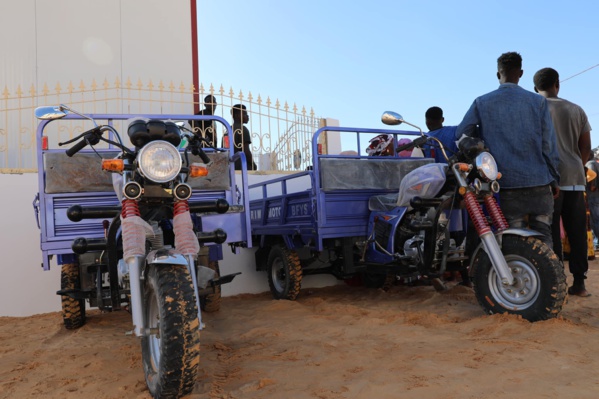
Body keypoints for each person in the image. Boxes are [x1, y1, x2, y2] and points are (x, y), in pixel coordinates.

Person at [455, 51, 560, 247]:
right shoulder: (538, 102)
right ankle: (549, 276)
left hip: (505, 183)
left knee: (513, 238)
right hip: (539, 182)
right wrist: (554, 178)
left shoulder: (482, 102)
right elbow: (549, 145)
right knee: (544, 236)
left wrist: (481, 143)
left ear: (498, 74)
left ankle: (518, 276)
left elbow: (462, 134)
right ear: (521, 73)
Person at [534, 67, 592, 297]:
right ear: (557, 84)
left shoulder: (534, 108)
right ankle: (579, 284)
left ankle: (556, 279)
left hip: (548, 179)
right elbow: (585, 146)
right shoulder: (576, 109)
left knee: (551, 231)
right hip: (575, 178)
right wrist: (576, 164)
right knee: (576, 231)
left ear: (535, 88)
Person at [227, 104, 256, 171]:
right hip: (242, 166)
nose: (247, 116)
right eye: (244, 114)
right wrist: (253, 164)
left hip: (230, 166)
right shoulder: (243, 129)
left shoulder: (228, 129)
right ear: (237, 115)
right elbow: (246, 151)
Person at [586, 153, 599, 249]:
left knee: (595, 220)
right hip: (596, 196)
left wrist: (591, 187)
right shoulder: (596, 163)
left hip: (593, 197)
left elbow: (593, 183)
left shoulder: (590, 163)